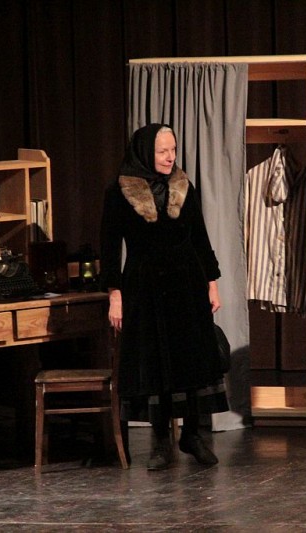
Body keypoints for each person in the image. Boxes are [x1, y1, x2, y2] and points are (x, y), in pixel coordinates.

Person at [101, 123, 229, 470]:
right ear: (146, 152)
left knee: (192, 358)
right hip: (145, 285)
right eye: (162, 151)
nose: (170, 156)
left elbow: (200, 237)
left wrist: (212, 282)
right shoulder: (119, 191)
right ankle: (161, 442)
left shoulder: (183, 186)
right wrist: (115, 294)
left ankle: (192, 434)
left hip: (187, 281)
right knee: (156, 362)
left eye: (173, 149)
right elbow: (109, 247)